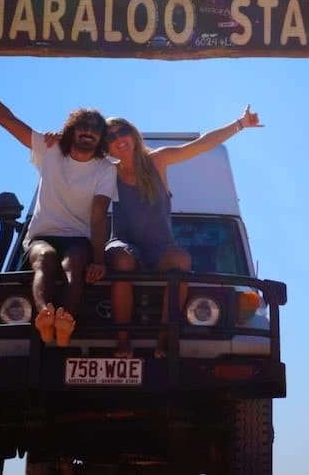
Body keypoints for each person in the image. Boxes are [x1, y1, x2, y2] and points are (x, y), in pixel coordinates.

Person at [0, 54, 117, 347]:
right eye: (84, 125)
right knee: (44, 258)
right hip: (42, 235)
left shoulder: (106, 169)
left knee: (75, 261)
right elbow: (7, 120)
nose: (89, 131)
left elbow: (98, 216)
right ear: (71, 129)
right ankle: (45, 317)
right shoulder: (50, 150)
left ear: (101, 138)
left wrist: (98, 259)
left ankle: (64, 324)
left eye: (96, 129)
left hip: (78, 238)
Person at [102, 107, 262, 357]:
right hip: (123, 243)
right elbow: (72, 159)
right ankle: (123, 341)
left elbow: (200, 145)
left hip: (159, 247)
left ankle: (165, 338)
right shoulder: (107, 172)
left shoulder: (158, 160)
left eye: (122, 132)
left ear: (132, 134)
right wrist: (55, 140)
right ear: (106, 147)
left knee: (182, 259)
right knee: (122, 259)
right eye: (110, 138)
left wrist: (240, 124)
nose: (118, 139)